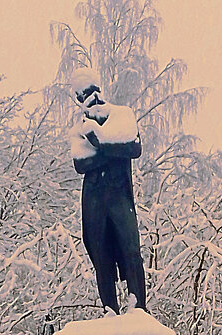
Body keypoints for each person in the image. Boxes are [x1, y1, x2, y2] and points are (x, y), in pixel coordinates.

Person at [70, 68, 146, 314]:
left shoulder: (122, 115)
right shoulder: (81, 127)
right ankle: (109, 310)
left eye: (91, 91)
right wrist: (112, 148)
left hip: (119, 196)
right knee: (100, 256)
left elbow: (133, 147)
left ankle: (138, 307)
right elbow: (81, 163)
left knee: (131, 250)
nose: (90, 98)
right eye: (83, 95)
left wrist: (100, 142)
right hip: (93, 200)